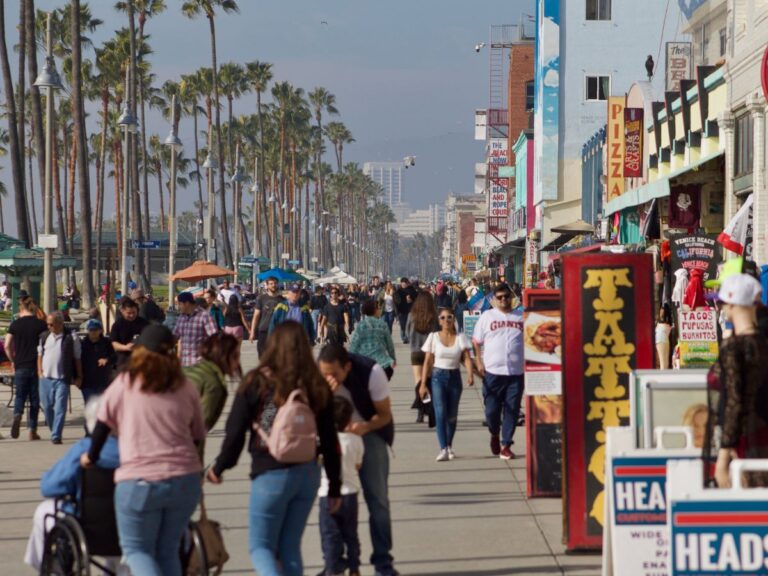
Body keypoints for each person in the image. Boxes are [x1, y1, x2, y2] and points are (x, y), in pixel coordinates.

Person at [207, 322, 341, 576]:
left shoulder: (257, 381)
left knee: (261, 547)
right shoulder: (316, 384)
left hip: (270, 472)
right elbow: (329, 438)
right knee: (290, 547)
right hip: (307, 473)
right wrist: (334, 485)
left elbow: (235, 432)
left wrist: (220, 467)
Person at [81, 325, 205, 576]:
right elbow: (197, 435)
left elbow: (102, 425)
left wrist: (91, 457)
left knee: (137, 550)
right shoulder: (185, 385)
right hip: (185, 480)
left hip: (141, 481)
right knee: (168, 550)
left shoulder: (125, 383)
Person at [318, 344, 398, 576]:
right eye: (324, 374)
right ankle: (334, 563)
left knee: (378, 500)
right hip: (333, 436)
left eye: (334, 374)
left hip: (369, 434)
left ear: (347, 367)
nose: (329, 378)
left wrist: (365, 427)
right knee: (329, 501)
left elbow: (384, 415)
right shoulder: (316, 375)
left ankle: (383, 562)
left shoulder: (371, 372)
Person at [24, 397, 122, 572]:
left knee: (43, 510)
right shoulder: (134, 450)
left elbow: (49, 487)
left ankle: (47, 566)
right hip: (129, 522)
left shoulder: (84, 449)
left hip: (87, 524)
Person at [704, 274, 768, 488]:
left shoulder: (733, 348)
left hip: (743, 443)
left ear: (731, 304)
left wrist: (722, 459)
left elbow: (734, 401)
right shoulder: (762, 343)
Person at [472, 283, 525, 460]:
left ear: (511, 298)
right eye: (500, 297)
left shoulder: (521, 317)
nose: (503, 300)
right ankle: (494, 432)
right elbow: (476, 341)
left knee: (512, 410)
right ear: (494, 299)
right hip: (492, 373)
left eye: (506, 296)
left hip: (515, 373)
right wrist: (478, 361)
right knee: (491, 411)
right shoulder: (487, 317)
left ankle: (506, 444)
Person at [419, 309, 474, 461]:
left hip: (454, 377)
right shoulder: (433, 337)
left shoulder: (460, 337)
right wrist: (423, 384)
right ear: (439, 320)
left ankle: (449, 445)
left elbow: (467, 358)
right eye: (442, 318)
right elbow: (427, 361)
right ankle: (443, 448)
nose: (446, 320)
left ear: (453, 319)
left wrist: (470, 374)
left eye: (449, 317)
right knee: (440, 412)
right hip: (438, 377)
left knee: (452, 415)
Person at [318, 396, 364, 576]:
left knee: (330, 535)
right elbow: (358, 465)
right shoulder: (356, 440)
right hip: (350, 494)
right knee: (350, 534)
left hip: (327, 494)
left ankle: (332, 568)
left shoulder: (322, 440)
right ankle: (354, 568)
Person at [184, 332, 241, 462]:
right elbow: (198, 429)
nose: (238, 363)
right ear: (225, 357)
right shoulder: (213, 384)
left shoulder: (192, 370)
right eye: (236, 356)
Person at [6, 297, 47, 440]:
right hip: (36, 365)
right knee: (35, 399)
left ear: (21, 308)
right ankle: (32, 430)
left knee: (20, 395)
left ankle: (17, 413)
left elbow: (7, 345)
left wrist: (13, 360)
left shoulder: (15, 324)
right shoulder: (40, 324)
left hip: (20, 365)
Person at [38, 312, 83, 444]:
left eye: (51, 324)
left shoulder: (71, 337)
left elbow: (77, 358)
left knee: (60, 408)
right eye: (48, 324)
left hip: (62, 378)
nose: (49, 327)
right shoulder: (44, 336)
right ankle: (54, 430)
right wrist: (39, 372)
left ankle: (56, 435)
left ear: (60, 324)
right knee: (47, 407)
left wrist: (79, 376)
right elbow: (39, 355)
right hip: (45, 378)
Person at [406, 293, 439, 422]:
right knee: (428, 380)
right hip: (429, 352)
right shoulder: (434, 317)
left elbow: (407, 333)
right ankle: (429, 409)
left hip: (415, 351)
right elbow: (437, 333)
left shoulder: (411, 315)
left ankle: (420, 411)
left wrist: (413, 341)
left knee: (418, 381)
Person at [349, 300, 396, 380]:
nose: (380, 310)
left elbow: (354, 345)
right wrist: (393, 358)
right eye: (379, 308)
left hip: (364, 364)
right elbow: (389, 345)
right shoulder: (383, 325)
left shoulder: (361, 325)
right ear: (374, 310)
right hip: (382, 364)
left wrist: (350, 361)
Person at [173, 291, 218, 367]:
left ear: (187, 303)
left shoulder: (204, 316)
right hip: (185, 364)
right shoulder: (181, 318)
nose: (178, 307)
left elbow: (215, 339)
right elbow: (175, 336)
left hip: (200, 365)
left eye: (179, 304)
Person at [80, 319, 116, 403]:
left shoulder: (106, 343)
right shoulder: (83, 344)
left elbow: (114, 357)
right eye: (91, 330)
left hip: (102, 381)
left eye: (95, 330)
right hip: (87, 383)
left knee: (102, 406)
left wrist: (107, 360)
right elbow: (77, 361)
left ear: (100, 331)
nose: (93, 332)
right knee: (90, 406)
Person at [109, 297, 149, 368]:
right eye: (129, 313)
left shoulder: (144, 323)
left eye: (134, 312)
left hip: (140, 358)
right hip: (123, 359)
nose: (132, 315)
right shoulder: (117, 325)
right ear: (123, 311)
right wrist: (126, 347)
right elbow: (113, 343)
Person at [250, 276, 284, 355]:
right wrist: (252, 332)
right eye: (271, 284)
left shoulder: (282, 300)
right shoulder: (261, 298)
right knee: (262, 355)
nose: (273, 285)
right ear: (267, 285)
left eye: (275, 283)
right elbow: (256, 316)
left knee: (276, 356)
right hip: (264, 330)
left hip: (277, 331)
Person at [394, 277, 417, 344]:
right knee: (402, 325)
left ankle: (408, 337)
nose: (404, 285)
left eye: (405, 283)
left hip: (410, 310)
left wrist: (411, 300)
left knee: (409, 325)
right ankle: (404, 337)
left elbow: (416, 299)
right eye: (402, 283)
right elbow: (396, 301)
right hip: (401, 311)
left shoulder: (412, 290)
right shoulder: (398, 291)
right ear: (401, 283)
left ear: (407, 283)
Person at [655, 305, 673, 369]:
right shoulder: (668, 323)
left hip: (661, 340)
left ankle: (663, 374)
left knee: (663, 362)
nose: (661, 314)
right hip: (663, 340)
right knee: (664, 362)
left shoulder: (662, 323)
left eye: (662, 312)